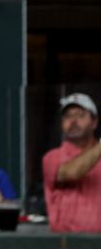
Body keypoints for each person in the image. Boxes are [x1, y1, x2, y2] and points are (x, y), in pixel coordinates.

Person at [42, 93, 101, 232]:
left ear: (94, 122)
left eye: (80, 115)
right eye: (68, 116)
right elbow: (72, 172)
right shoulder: (52, 157)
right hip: (66, 246)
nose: (73, 121)